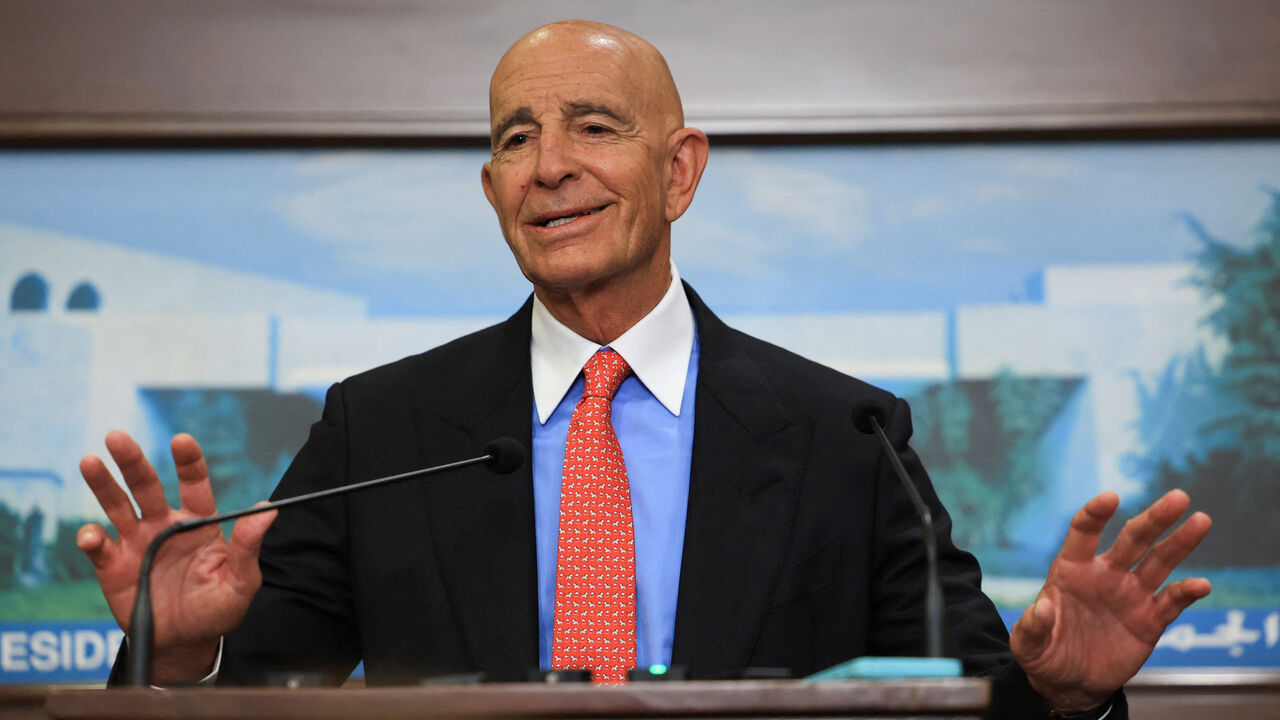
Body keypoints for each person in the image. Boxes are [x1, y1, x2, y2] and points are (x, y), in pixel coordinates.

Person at [76, 20, 1212, 718]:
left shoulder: (841, 433)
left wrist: (1066, 697)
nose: (550, 165)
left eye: (592, 127)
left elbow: (964, 698)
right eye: (515, 137)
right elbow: (269, 700)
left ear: (680, 171)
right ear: (489, 192)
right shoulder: (382, 427)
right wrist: (179, 655)